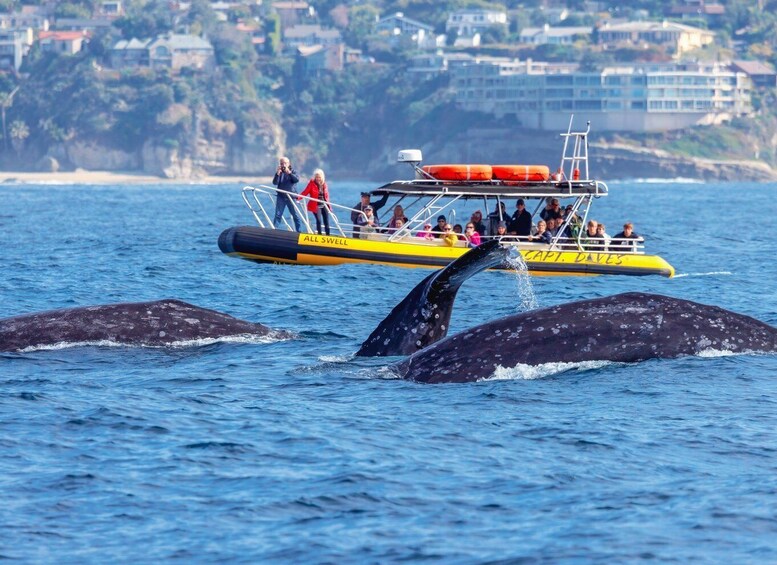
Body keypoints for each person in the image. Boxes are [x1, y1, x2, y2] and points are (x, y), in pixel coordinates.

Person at [272, 156, 302, 231]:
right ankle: (275, 229)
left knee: (295, 215)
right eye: (282, 163)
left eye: (285, 163)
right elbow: (275, 182)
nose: (283, 165)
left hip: (291, 197)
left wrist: (289, 173)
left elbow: (296, 180)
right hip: (281, 197)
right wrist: (277, 174)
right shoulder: (280, 173)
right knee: (278, 214)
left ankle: (299, 231)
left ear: (289, 163)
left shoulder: (293, 171)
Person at [298, 168, 331, 235]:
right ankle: (319, 235)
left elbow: (327, 196)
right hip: (315, 205)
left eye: (319, 177)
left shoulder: (324, 184)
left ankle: (328, 235)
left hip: (324, 204)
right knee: (318, 220)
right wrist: (297, 198)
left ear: (322, 177)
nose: (318, 179)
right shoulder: (311, 184)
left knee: (326, 221)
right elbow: (305, 192)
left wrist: (328, 205)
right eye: (316, 177)